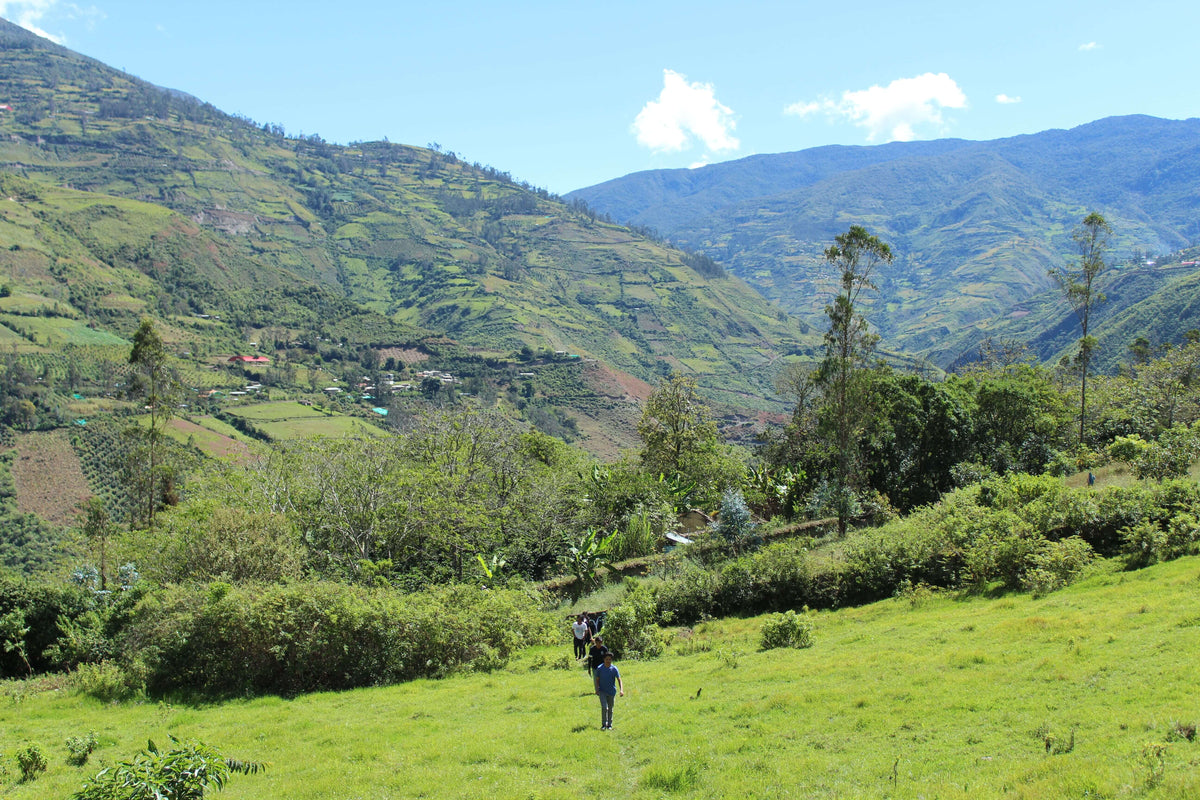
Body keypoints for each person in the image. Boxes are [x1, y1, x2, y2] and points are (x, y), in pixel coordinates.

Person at [593, 650, 624, 730]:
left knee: (610, 709)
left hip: (611, 692)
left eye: (610, 659)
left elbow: (619, 679)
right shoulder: (600, 668)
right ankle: (603, 724)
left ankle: (609, 725)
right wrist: (597, 689)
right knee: (604, 707)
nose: (608, 661)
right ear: (604, 659)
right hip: (602, 691)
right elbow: (597, 679)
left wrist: (621, 690)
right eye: (607, 659)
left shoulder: (614, 669)